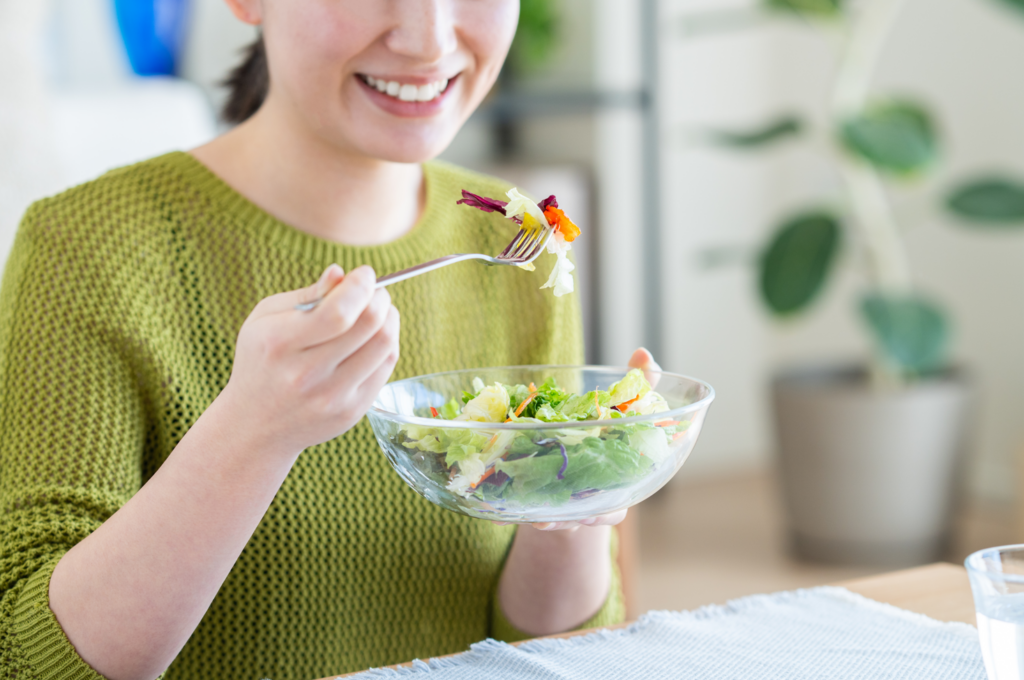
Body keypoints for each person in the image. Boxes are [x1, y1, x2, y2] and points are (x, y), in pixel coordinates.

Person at [0, 2, 661, 679]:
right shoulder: (82, 249)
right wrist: (253, 429)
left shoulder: (514, 240)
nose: (429, 38)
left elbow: (545, 654)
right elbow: (29, 662)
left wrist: (578, 494)